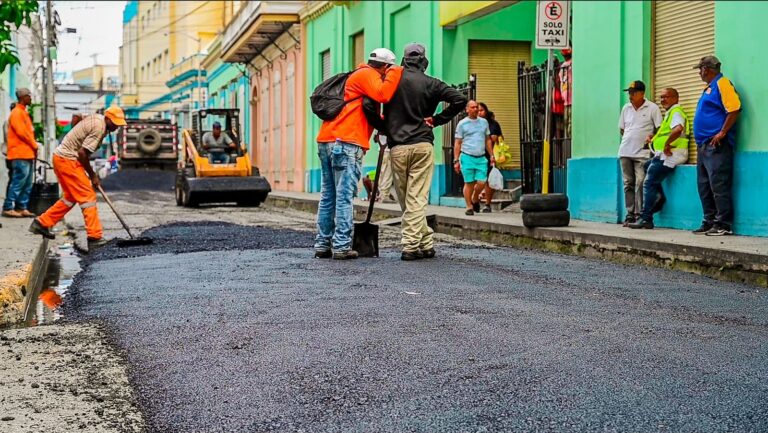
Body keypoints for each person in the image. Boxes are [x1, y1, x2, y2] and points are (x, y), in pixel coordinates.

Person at [313, 48, 403, 260]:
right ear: (385, 66)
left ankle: (323, 244)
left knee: (328, 196)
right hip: (346, 143)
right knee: (344, 197)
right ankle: (342, 246)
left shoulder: (358, 76)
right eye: (388, 69)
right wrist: (396, 72)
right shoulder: (366, 75)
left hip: (328, 140)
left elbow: (368, 108)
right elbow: (383, 94)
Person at [381, 43, 466, 260]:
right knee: (416, 199)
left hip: (398, 146)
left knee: (407, 199)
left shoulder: (390, 82)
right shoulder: (432, 83)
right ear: (423, 61)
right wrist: (437, 120)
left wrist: (383, 127)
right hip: (422, 145)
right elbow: (460, 99)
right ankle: (425, 241)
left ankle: (410, 245)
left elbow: (371, 104)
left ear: (404, 59)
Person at [29, 107, 128, 250]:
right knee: (87, 197)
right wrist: (92, 175)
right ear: (107, 118)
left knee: (70, 198)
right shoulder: (99, 127)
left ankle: (42, 223)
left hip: (62, 159)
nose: (117, 126)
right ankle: (94, 236)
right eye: (115, 123)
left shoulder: (98, 119)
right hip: (68, 160)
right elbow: (82, 153)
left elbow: (77, 118)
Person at [691, 56, 741, 236]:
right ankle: (709, 220)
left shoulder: (723, 83)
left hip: (717, 145)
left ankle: (723, 224)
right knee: (704, 185)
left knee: (718, 184)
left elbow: (734, 108)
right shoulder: (709, 88)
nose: (699, 72)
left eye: (700, 69)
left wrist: (722, 132)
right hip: (703, 146)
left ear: (706, 69)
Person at [628, 88, 689, 229]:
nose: (662, 100)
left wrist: (667, 144)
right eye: (661, 98)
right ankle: (659, 197)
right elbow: (666, 133)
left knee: (648, 182)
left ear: (675, 98)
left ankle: (646, 218)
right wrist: (652, 138)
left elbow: (678, 129)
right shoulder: (669, 114)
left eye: (666, 97)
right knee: (646, 166)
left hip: (672, 154)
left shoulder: (676, 112)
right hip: (664, 154)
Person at [618, 80, 662, 226]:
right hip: (625, 151)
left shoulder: (652, 108)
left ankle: (640, 214)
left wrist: (650, 140)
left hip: (642, 154)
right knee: (627, 183)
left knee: (640, 183)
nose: (630, 95)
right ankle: (630, 214)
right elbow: (622, 129)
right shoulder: (626, 108)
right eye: (629, 92)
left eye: (634, 92)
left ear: (642, 93)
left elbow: (659, 129)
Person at [3, 89, 39, 218]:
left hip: (27, 153)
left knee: (27, 183)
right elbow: (22, 133)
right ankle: (8, 207)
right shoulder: (17, 113)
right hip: (19, 153)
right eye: (29, 96)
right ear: (23, 97)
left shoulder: (23, 112)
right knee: (18, 182)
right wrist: (35, 145)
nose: (30, 98)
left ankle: (21, 207)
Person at [454, 100, 494, 216]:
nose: (475, 109)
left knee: (482, 182)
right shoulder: (462, 124)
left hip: (481, 157)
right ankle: (469, 206)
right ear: (467, 110)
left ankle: (475, 197)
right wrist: (456, 160)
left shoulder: (484, 122)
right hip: (467, 156)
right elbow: (458, 142)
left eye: (477, 107)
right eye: (472, 107)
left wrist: (491, 155)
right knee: (469, 183)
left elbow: (487, 139)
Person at [478, 102, 503, 213]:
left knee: (489, 180)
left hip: (490, 155)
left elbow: (501, 138)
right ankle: (475, 200)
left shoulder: (493, 124)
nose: (479, 112)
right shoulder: (472, 124)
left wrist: (496, 138)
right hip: (476, 154)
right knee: (478, 179)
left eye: (481, 110)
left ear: (486, 111)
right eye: (477, 110)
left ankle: (487, 204)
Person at [3, 102, 17, 199]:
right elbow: (10, 138)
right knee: (14, 178)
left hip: (13, 153)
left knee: (14, 178)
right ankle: (9, 203)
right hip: (12, 153)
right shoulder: (10, 122)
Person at [559, 48, 573, 137]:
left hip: (572, 100)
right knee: (566, 125)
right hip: (565, 101)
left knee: (571, 127)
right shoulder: (563, 65)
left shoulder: (573, 63)